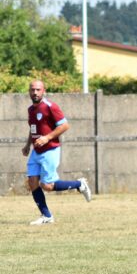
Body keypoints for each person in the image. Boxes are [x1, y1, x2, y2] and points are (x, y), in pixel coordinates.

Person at [23, 79, 92, 224]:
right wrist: (28, 144)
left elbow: (65, 125)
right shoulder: (31, 109)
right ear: (29, 91)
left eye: (38, 89)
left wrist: (47, 138)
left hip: (50, 149)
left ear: (44, 90)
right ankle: (46, 216)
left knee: (47, 186)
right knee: (32, 181)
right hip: (36, 150)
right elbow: (33, 128)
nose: (35, 92)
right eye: (32, 89)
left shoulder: (50, 106)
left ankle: (79, 184)